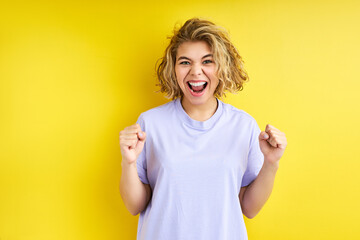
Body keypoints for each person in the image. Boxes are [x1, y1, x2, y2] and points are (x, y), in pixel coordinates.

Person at [119, 17, 287, 240]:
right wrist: (128, 162)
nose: (196, 72)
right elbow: (134, 205)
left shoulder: (243, 125)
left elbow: (249, 208)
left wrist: (271, 163)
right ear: (174, 68)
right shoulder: (150, 123)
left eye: (207, 61)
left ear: (222, 67)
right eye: (185, 62)